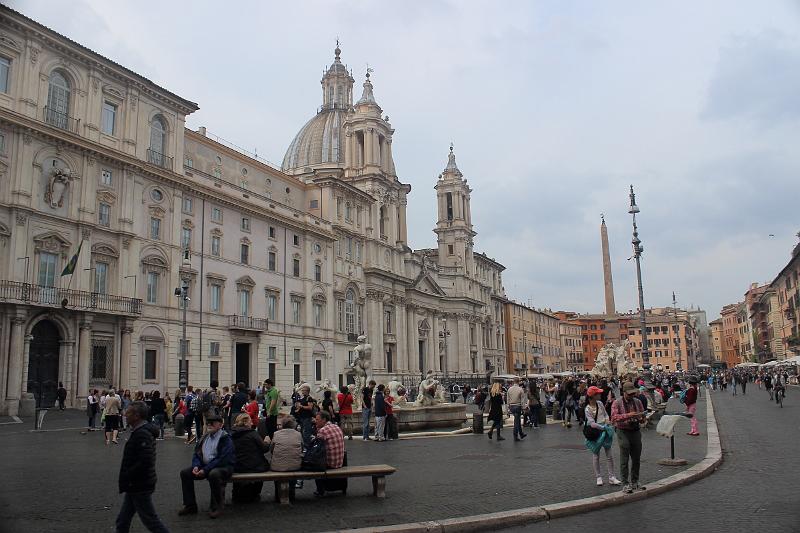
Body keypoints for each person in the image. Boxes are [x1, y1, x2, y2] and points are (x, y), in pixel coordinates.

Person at [115, 401, 169, 533]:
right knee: (123, 520)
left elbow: (145, 460)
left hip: (139, 484)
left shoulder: (142, 434)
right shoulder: (140, 431)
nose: (125, 415)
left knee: (151, 521)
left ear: (136, 416)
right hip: (135, 483)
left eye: (128, 413)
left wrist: (128, 474)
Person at [178, 413, 235, 519]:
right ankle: (190, 505)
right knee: (185, 473)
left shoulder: (225, 438)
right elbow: (197, 453)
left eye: (212, 423)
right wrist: (196, 466)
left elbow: (222, 459)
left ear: (220, 425)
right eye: (208, 423)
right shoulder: (205, 437)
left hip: (223, 467)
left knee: (214, 474)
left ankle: (217, 506)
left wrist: (205, 469)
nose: (209, 425)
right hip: (205, 466)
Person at [611, 382, 647, 494]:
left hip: (635, 430)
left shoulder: (638, 402)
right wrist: (628, 415)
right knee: (624, 457)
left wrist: (642, 418)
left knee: (636, 458)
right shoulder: (616, 403)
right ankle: (625, 483)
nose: (632, 396)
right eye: (629, 394)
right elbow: (613, 418)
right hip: (623, 431)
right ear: (624, 392)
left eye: (633, 394)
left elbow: (643, 416)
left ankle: (635, 481)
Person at [584, 386, 622, 487]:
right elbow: (592, 423)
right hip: (596, 432)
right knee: (596, 455)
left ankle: (612, 477)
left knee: (609, 455)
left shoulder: (600, 404)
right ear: (593, 396)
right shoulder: (587, 409)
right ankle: (598, 477)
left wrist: (607, 421)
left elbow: (605, 414)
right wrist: (603, 427)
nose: (600, 395)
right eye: (598, 393)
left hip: (605, 429)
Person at [230, 413, 269, 503]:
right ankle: (255, 493)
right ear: (245, 422)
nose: (251, 423)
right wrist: (267, 442)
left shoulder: (231, 434)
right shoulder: (252, 433)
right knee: (264, 466)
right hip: (254, 466)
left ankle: (236, 493)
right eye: (250, 421)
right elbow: (264, 449)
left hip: (237, 465)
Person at [312, 410, 345, 497]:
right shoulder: (336, 427)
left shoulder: (322, 431)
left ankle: (320, 490)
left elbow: (316, 450)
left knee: (314, 462)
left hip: (330, 463)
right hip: (339, 462)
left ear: (324, 420)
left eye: (317, 419)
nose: (315, 421)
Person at [506, 377, 526, 441]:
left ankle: (521, 434)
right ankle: (515, 436)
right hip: (518, 406)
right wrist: (523, 408)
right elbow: (522, 401)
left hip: (512, 406)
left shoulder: (509, 389)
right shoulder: (520, 389)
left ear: (513, 381)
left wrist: (508, 408)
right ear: (519, 382)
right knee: (516, 422)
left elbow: (507, 400)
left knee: (517, 420)